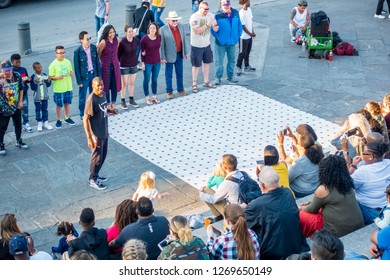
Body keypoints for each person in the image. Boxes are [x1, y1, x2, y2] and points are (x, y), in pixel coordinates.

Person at [245, 166, 309, 260]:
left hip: (272, 255)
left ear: (262, 185)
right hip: (297, 247)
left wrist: (244, 208)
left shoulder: (256, 205)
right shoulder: (288, 193)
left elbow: (243, 224)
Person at [299, 155, 364, 238]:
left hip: (338, 231)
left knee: (301, 215)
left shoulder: (323, 189)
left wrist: (301, 208)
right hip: (358, 224)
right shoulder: (348, 182)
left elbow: (312, 210)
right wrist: (310, 202)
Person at [83, 77, 118, 190]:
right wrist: (89, 137)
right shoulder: (91, 100)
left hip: (104, 130)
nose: (100, 87)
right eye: (98, 85)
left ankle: (96, 174)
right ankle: (92, 179)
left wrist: (110, 111)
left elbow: (102, 109)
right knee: (97, 157)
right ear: (93, 86)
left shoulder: (103, 95)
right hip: (96, 133)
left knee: (103, 155)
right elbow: (85, 119)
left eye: (101, 85)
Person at [351, 142, 390, 224]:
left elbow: (348, 185)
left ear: (371, 157)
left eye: (364, 153)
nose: (362, 154)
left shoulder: (362, 171)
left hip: (371, 210)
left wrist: (353, 165)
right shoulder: (388, 163)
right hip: (387, 204)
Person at [199, 154, 244, 221]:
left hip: (234, 212)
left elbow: (213, 199)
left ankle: (219, 215)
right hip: (245, 206)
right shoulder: (244, 174)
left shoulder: (226, 184)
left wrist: (201, 194)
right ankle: (219, 215)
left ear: (225, 167)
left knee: (206, 190)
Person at [278, 132, 323, 198]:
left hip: (301, 192)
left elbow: (287, 179)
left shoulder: (299, 162)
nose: (296, 144)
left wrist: (280, 144)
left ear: (302, 147)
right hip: (314, 187)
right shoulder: (318, 153)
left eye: (297, 143)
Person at [0, 60, 29, 156]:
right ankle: (1, 144)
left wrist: (20, 101)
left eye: (8, 70)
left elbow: (21, 89)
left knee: (18, 124)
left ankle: (19, 141)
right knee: (3, 127)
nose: (7, 72)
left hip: (16, 105)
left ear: (11, 69)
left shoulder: (17, 76)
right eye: (5, 70)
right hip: (4, 107)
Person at [189, 1, 218, 93]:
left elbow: (216, 29)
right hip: (196, 45)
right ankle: (194, 83)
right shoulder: (194, 17)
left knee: (207, 63)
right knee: (196, 65)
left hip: (206, 44)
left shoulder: (210, 15)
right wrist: (207, 24)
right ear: (200, 8)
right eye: (205, 9)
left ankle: (206, 81)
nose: (207, 11)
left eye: (208, 9)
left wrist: (215, 24)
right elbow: (197, 31)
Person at [211, 0, 242, 85]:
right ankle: (218, 77)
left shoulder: (235, 12)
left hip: (232, 42)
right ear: (221, 5)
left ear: (230, 4)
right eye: (224, 5)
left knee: (231, 60)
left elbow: (239, 25)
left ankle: (230, 76)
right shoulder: (217, 15)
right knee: (219, 62)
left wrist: (236, 37)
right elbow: (213, 30)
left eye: (227, 5)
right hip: (220, 44)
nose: (226, 6)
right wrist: (219, 38)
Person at [160, 11, 189, 99]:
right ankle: (169, 91)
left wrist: (185, 52)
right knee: (169, 74)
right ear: (169, 20)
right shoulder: (163, 29)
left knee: (180, 72)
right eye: (173, 21)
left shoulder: (181, 27)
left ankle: (180, 89)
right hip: (169, 55)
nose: (175, 22)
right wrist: (162, 57)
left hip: (179, 53)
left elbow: (183, 40)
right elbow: (161, 45)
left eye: (176, 20)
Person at [74, 31, 101, 119]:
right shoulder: (77, 51)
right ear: (81, 40)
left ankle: (93, 111)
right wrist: (79, 81)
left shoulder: (93, 48)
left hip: (93, 75)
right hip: (84, 77)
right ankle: (82, 114)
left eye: (90, 38)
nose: (89, 40)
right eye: (87, 39)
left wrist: (98, 77)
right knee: (82, 96)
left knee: (93, 95)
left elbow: (97, 62)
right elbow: (76, 67)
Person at [48, 45, 76, 129]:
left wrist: (72, 73)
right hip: (59, 89)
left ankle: (67, 117)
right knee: (59, 105)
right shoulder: (53, 65)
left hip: (68, 87)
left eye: (63, 52)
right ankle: (59, 119)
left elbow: (71, 71)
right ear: (56, 54)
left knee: (67, 103)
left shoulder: (68, 62)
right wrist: (57, 77)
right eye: (60, 53)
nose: (62, 54)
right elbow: (50, 77)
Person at [97, 24, 121, 110]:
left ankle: (113, 104)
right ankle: (107, 105)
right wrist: (103, 62)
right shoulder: (103, 42)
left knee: (115, 84)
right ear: (106, 33)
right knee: (106, 85)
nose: (112, 34)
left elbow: (116, 51)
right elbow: (99, 54)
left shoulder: (117, 40)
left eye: (113, 32)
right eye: (110, 32)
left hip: (115, 66)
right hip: (105, 66)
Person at [118, 25, 139, 110]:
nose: (131, 33)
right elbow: (118, 54)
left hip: (133, 64)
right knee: (124, 84)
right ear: (126, 33)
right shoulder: (123, 42)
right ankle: (123, 100)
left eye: (132, 31)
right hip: (124, 65)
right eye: (129, 32)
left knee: (132, 83)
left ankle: (131, 99)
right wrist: (119, 63)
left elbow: (137, 51)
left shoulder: (136, 40)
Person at [140, 22, 162, 105]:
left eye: (154, 28)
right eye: (151, 28)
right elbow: (142, 52)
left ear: (156, 29)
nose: (152, 29)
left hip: (157, 62)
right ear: (148, 29)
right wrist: (143, 63)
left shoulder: (159, 37)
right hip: (147, 62)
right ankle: (147, 97)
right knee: (147, 80)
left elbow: (159, 48)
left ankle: (154, 96)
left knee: (155, 79)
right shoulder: (144, 39)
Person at [10, 53, 32, 133]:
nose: (18, 64)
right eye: (16, 62)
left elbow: (26, 79)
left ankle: (26, 123)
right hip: (14, 95)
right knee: (15, 111)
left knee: (25, 109)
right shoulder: (11, 71)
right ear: (12, 62)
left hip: (24, 93)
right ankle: (16, 126)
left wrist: (28, 79)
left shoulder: (23, 69)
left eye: (19, 62)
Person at [30, 62, 53, 132]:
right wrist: (35, 82)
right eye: (38, 68)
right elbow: (32, 87)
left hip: (45, 96)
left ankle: (45, 122)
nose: (40, 69)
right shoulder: (33, 77)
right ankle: (39, 122)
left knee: (45, 109)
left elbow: (48, 85)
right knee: (38, 110)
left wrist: (48, 81)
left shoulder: (44, 75)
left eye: (41, 67)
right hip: (37, 97)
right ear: (34, 69)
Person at [235, 0, 256, 76]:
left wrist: (252, 31)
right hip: (243, 37)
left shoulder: (249, 10)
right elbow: (243, 26)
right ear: (245, 2)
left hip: (249, 36)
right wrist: (250, 33)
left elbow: (251, 22)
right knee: (242, 52)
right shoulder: (241, 13)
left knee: (248, 51)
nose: (249, 2)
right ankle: (238, 67)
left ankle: (247, 66)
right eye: (248, 1)